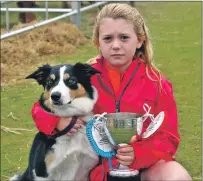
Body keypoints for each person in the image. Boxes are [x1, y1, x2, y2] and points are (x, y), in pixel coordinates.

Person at [31, 3, 192, 181]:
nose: (116, 45)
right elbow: (40, 109)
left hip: (145, 167)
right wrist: (57, 121)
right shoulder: (85, 79)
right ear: (97, 42)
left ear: (139, 40)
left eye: (124, 37)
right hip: (95, 169)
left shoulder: (158, 83)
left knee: (177, 176)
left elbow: (168, 137)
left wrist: (138, 154)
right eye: (108, 38)